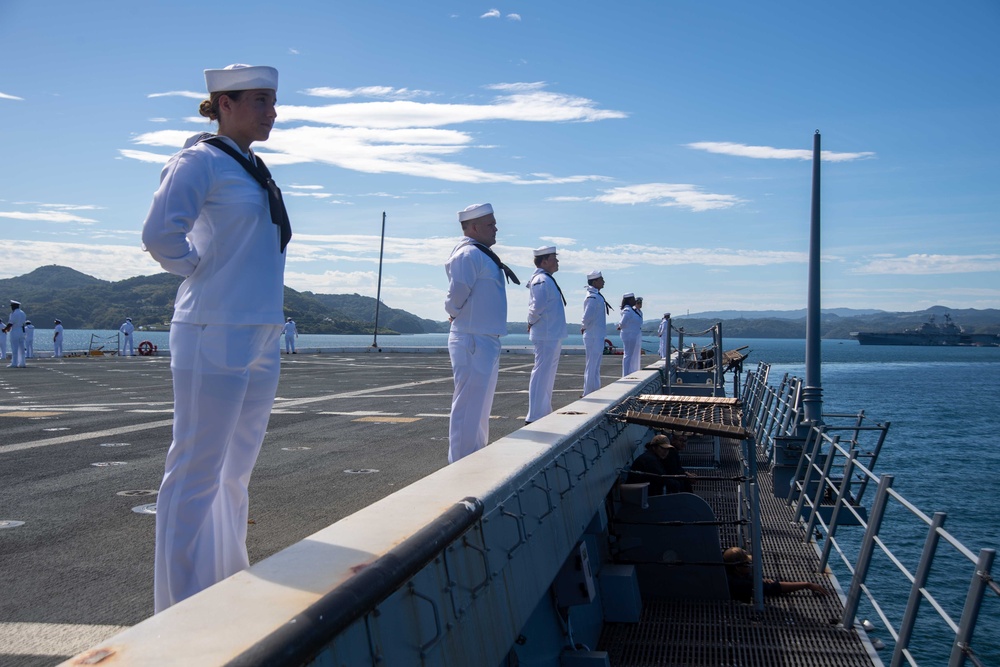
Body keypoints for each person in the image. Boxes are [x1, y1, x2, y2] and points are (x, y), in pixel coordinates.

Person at [141, 63, 290, 613]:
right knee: (196, 468)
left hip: (258, 329)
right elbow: (160, 233)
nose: (271, 111)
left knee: (235, 471)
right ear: (223, 104)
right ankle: (176, 603)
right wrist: (197, 270)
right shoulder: (199, 160)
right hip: (212, 328)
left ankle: (228, 579)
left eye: (272, 101)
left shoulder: (251, 167)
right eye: (260, 100)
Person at [444, 202, 517, 463]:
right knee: (469, 405)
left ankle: (474, 457)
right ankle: (461, 462)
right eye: (490, 224)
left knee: (481, 405)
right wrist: (451, 312)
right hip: (472, 337)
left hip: (484, 337)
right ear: (474, 227)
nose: (496, 228)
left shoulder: (480, 253)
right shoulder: (468, 255)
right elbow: (457, 293)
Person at [525, 245, 567, 424]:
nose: (557, 262)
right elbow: (537, 307)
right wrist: (530, 322)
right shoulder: (541, 280)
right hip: (545, 334)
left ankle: (544, 411)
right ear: (544, 261)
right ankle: (534, 414)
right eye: (554, 258)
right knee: (542, 373)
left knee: (548, 374)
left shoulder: (546, 279)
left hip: (551, 334)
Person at [723, 546, 828, 602]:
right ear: (737, 567)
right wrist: (807, 585)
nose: (750, 565)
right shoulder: (740, 584)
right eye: (747, 564)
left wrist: (760, 581)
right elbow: (775, 587)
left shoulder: (730, 573)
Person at [626, 433, 693, 495]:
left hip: (639, 494)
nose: (665, 452)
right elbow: (661, 478)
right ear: (654, 447)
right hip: (638, 496)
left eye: (667, 449)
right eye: (662, 448)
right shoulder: (650, 461)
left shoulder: (652, 458)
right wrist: (678, 484)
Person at [581, 270, 612, 396]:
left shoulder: (596, 295)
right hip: (593, 335)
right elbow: (587, 316)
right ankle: (588, 392)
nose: (603, 281)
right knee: (592, 365)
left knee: (595, 365)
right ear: (595, 282)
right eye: (601, 279)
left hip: (596, 334)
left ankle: (595, 389)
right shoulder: (592, 297)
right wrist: (584, 326)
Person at [617, 293, 643, 376]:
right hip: (629, 335)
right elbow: (623, 322)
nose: (634, 301)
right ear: (629, 300)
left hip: (632, 334)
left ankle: (631, 372)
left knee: (631, 354)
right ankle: (626, 374)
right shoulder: (627, 310)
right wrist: (620, 326)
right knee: (628, 355)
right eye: (633, 299)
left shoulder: (631, 310)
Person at [7, 301, 27, 368]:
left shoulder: (14, 313)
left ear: (14, 306)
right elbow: (23, 324)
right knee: (21, 348)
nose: (11, 308)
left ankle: (14, 363)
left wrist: (5, 329)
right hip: (21, 330)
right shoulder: (23, 313)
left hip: (15, 330)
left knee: (14, 348)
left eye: (12, 306)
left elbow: (10, 323)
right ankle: (22, 363)